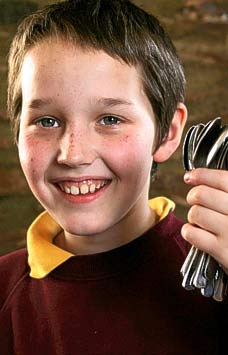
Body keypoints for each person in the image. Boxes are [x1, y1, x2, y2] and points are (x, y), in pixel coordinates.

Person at [1, 0, 228, 353]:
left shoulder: (219, 282)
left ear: (167, 133)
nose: (73, 154)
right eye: (47, 121)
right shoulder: (4, 293)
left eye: (109, 119)